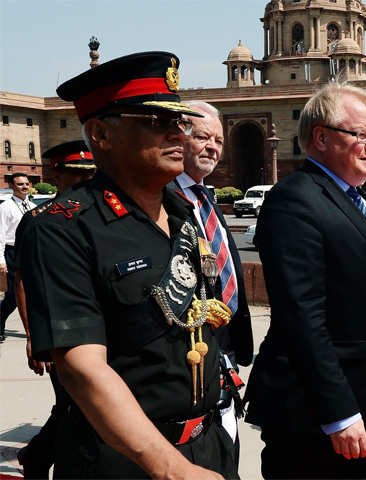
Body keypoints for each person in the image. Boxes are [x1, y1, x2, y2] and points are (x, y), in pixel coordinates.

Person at [19, 51, 236, 479]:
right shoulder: (62, 228)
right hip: (126, 461)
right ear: (100, 133)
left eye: (180, 122)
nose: (179, 133)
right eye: (157, 122)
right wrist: (171, 468)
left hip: (208, 446)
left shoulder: (181, 213)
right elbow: (83, 369)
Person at [244, 82, 366, 479]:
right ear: (321, 137)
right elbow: (302, 317)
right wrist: (338, 413)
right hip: (316, 415)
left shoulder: (356, 197)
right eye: (361, 135)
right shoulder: (295, 199)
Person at [171, 100, 253, 466]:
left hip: (225, 347)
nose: (213, 148)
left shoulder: (206, 196)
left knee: (226, 452)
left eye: (219, 141)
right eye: (203, 137)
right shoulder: (164, 198)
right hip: (189, 350)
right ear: (179, 139)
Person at [15, 140, 96, 478]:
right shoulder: (39, 220)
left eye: (88, 175)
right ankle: (37, 457)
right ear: (55, 174)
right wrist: (35, 336)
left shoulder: (100, 215)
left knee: (80, 407)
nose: (82, 183)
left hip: (97, 331)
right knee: (74, 406)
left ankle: (36, 455)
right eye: (75, 176)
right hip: (60, 333)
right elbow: (23, 281)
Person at [0, 172, 35, 342]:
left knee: (34, 292)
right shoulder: (5, 207)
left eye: (27, 183)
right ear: (11, 187)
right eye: (20, 184)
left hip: (30, 252)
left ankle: (34, 330)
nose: (25, 187)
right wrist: (1, 260)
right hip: (11, 252)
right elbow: (0, 235)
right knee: (13, 296)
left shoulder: (33, 206)